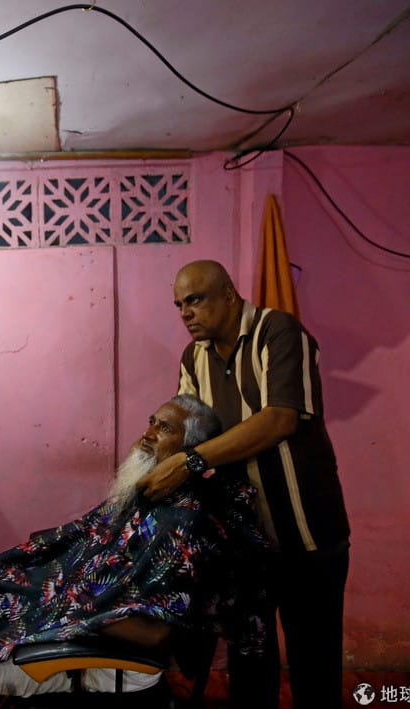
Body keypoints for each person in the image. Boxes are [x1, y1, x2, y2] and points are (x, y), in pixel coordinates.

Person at [0, 395, 270, 708]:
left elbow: (156, 633)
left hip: (110, 657)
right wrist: (49, 563)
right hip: (89, 618)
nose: (147, 434)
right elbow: (93, 540)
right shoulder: (155, 493)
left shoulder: (182, 521)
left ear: (190, 450)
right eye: (152, 422)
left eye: (165, 428)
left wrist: (64, 602)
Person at [138, 260, 351, 709]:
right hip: (244, 541)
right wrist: (149, 456)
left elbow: (279, 419)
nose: (186, 313)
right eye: (179, 305)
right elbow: (188, 427)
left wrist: (190, 462)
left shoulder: (279, 332)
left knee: (314, 662)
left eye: (195, 300)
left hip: (306, 532)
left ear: (229, 296)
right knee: (250, 663)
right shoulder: (193, 358)